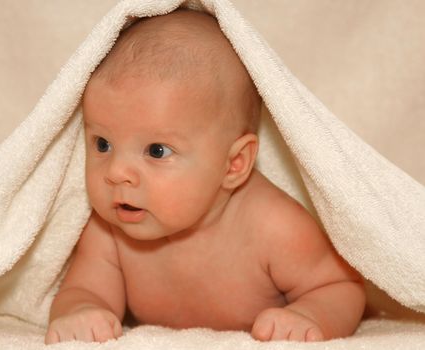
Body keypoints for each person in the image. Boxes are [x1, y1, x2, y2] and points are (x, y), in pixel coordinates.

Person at [45, 9, 365, 344]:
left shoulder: (274, 227)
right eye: (103, 144)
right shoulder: (110, 231)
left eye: (156, 151)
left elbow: (339, 286)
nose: (115, 173)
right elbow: (83, 291)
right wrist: (79, 312)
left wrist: (310, 316)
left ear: (234, 164)